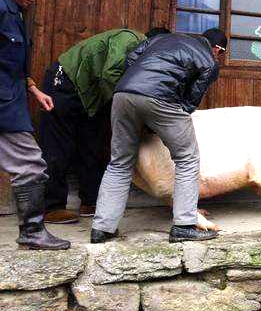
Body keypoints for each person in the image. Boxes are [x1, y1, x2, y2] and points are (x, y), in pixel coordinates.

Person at [90, 28, 227, 243]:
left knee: (119, 163)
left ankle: (102, 228)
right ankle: (184, 225)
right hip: (161, 97)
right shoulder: (209, 61)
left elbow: (131, 59)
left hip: (123, 94)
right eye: (220, 52)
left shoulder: (162, 38)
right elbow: (191, 101)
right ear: (217, 48)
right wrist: (162, 117)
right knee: (187, 158)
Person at [40, 27, 170, 224]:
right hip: (64, 82)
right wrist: (130, 109)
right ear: (154, 43)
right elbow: (110, 74)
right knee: (59, 146)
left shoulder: (143, 58)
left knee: (92, 146)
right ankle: (52, 207)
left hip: (91, 96)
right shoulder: (129, 39)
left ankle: (90, 201)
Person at [0, 0, 70, 249]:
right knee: (30, 164)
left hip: (12, 97)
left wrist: (33, 88)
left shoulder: (15, 12)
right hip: (3, 105)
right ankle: (31, 231)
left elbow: (11, 62)